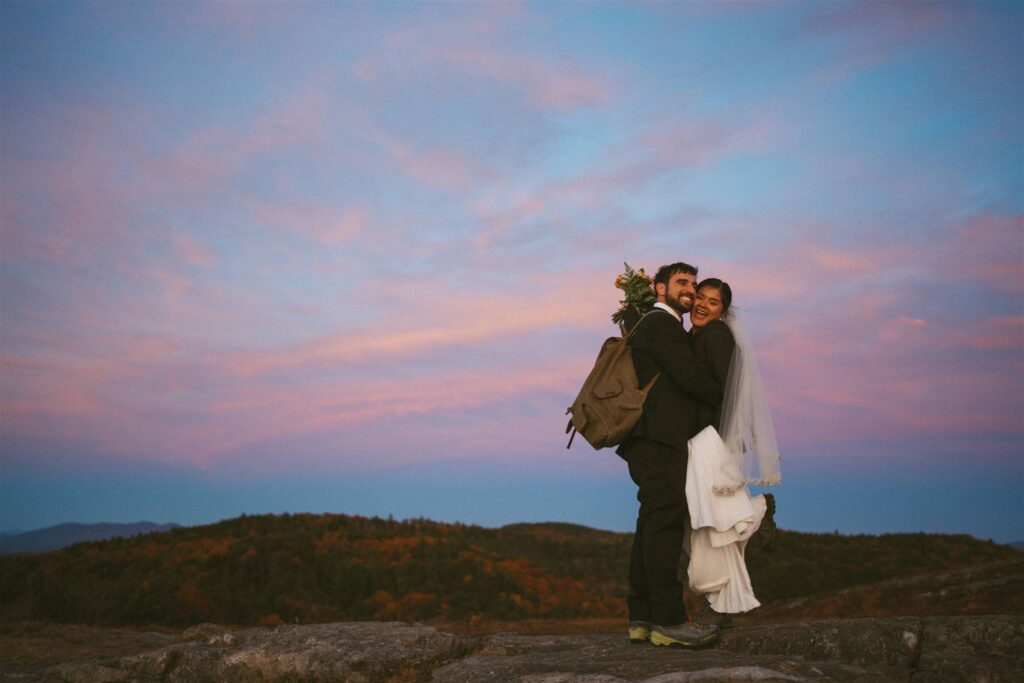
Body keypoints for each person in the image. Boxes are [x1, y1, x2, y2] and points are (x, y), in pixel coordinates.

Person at [616, 262, 724, 649]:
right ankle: (669, 621)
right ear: (660, 289)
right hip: (660, 440)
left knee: (651, 525)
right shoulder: (661, 326)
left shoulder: (650, 325)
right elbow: (692, 379)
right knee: (663, 526)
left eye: (694, 284)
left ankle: (641, 618)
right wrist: (725, 389)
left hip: (649, 439)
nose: (691, 290)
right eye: (682, 283)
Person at [683, 278, 781, 625]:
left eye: (712, 302)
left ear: (723, 311)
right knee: (711, 523)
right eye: (699, 297)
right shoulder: (698, 337)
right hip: (703, 438)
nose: (702, 305)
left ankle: (717, 601)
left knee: (712, 525)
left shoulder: (716, 336)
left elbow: (726, 391)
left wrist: (722, 443)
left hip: (711, 440)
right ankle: (720, 600)